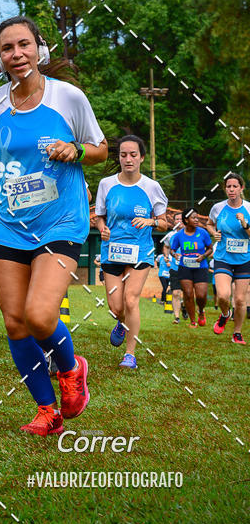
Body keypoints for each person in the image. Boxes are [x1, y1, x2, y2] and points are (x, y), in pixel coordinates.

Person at [0, 15, 108, 436]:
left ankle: (72, 369)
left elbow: (101, 149)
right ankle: (47, 411)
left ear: (39, 48)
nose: (16, 54)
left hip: (60, 222)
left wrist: (74, 149)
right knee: (14, 323)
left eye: (24, 45)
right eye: (7, 49)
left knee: (40, 316)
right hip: (10, 225)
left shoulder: (68, 97)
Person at [95, 136, 168, 369]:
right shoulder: (106, 184)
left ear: (142, 158)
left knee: (131, 300)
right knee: (116, 307)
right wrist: (102, 229)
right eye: (123, 155)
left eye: (133, 155)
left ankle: (130, 354)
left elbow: (164, 223)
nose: (128, 159)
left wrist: (150, 222)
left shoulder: (152, 187)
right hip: (112, 251)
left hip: (141, 253)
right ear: (119, 157)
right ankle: (120, 322)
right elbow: (99, 217)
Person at [207, 173, 250, 345]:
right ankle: (225, 314)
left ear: (241, 188)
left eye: (235, 186)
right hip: (223, 257)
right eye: (228, 186)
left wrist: (245, 225)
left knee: (240, 300)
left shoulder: (248, 208)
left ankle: (237, 333)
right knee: (223, 296)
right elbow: (209, 223)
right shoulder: (217, 208)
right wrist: (214, 233)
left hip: (244, 259)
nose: (231, 190)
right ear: (225, 189)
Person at [169, 208, 213, 327]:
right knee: (188, 294)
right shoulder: (179, 235)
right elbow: (172, 250)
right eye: (194, 218)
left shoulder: (203, 232)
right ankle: (193, 321)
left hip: (200, 267)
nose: (197, 220)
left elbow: (210, 248)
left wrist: (203, 256)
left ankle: (201, 311)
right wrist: (175, 254)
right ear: (186, 220)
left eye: (197, 217)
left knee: (201, 295)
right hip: (185, 267)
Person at [163, 218, 185, 322]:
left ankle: (184, 307)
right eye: (176, 219)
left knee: (188, 293)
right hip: (175, 267)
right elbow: (166, 246)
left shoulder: (191, 233)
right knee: (175, 292)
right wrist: (166, 256)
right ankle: (177, 317)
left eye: (181, 219)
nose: (179, 221)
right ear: (174, 222)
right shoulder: (170, 235)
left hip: (189, 267)